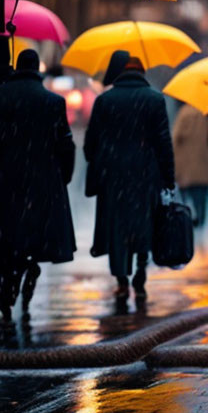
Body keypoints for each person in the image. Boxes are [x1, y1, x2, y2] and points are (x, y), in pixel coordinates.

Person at [0, 49, 75, 319]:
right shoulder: (53, 102)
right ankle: (29, 270)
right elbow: (65, 145)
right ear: (36, 70)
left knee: (5, 240)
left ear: (17, 68)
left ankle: (6, 289)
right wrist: (63, 177)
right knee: (33, 237)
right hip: (41, 184)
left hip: (5, 182)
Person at [84, 51, 175, 302]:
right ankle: (141, 272)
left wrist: (99, 160)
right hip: (146, 176)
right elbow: (163, 143)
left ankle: (122, 280)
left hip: (113, 177)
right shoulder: (155, 100)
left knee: (117, 227)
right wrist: (168, 178)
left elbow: (91, 143)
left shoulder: (105, 101)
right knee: (144, 224)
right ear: (142, 72)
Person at [172, 103, 208, 227]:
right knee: (201, 203)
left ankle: (187, 229)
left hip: (186, 169)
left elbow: (175, 139)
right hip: (204, 168)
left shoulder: (184, 113)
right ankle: (200, 225)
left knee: (183, 204)